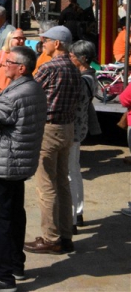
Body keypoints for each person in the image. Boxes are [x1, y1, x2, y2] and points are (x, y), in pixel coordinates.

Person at [0, 45, 46, 292]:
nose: (4, 65)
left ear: (21, 68)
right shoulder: (34, 88)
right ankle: (15, 265)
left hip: (4, 161)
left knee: (2, 220)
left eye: (9, 62)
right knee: (15, 214)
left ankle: (3, 278)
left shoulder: (15, 94)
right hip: (18, 160)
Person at [25, 25, 84, 255]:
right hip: (67, 128)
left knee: (46, 185)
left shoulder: (49, 67)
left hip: (49, 129)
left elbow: (28, 91)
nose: (43, 44)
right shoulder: (74, 69)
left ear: (57, 43)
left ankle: (51, 237)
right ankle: (65, 235)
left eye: (46, 40)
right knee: (62, 183)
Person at [67, 40, 100, 231]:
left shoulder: (83, 79)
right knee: (74, 171)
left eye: (72, 55)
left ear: (83, 58)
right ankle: (77, 212)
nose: (69, 58)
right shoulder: (88, 76)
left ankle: (72, 218)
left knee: (70, 174)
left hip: (73, 130)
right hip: (78, 129)